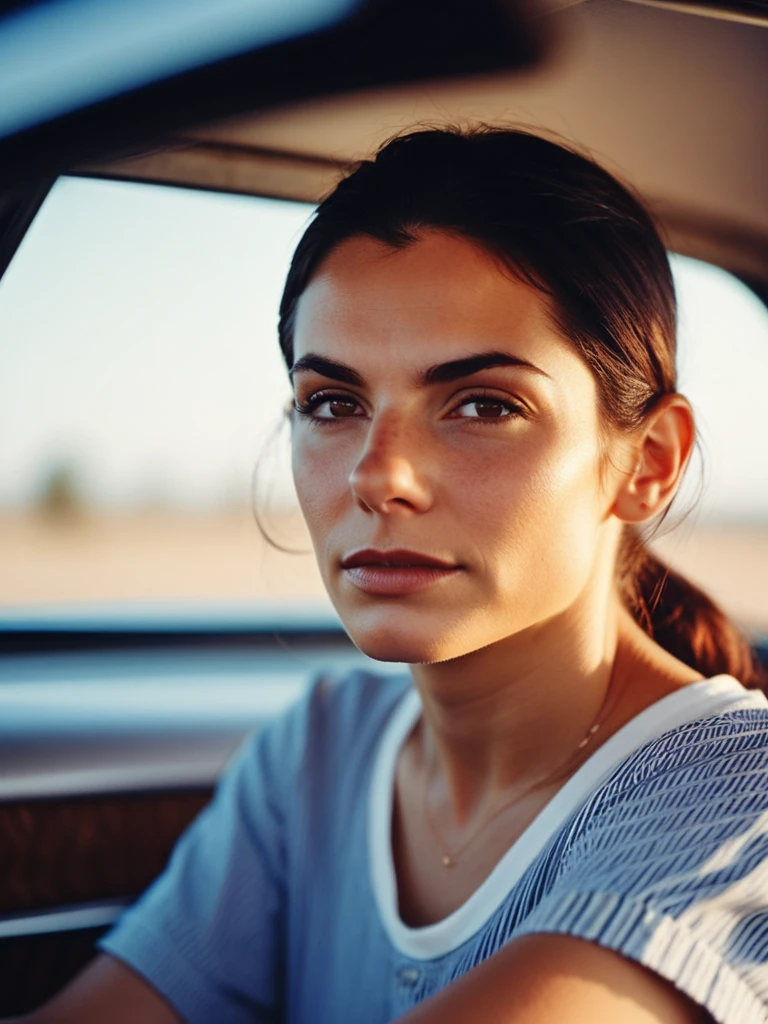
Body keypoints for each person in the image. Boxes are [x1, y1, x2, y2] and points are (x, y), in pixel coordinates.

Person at [14, 127, 768, 1024]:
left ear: (648, 461)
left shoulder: (740, 797)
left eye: (484, 404)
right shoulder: (322, 750)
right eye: (333, 404)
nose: (379, 475)